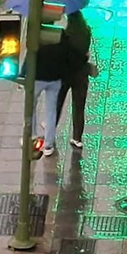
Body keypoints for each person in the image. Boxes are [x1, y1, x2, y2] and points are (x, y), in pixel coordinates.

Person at [55, 11, 96, 151]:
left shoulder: (66, 35)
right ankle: (77, 137)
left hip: (66, 74)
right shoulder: (86, 31)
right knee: (79, 107)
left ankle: (51, 130)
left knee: (58, 103)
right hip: (81, 75)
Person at [31, 30, 71, 157]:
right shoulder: (61, 42)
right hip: (54, 80)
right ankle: (48, 144)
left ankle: (31, 137)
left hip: (37, 79)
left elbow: (29, 60)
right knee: (51, 110)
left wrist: (22, 76)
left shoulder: (37, 42)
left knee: (30, 108)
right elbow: (66, 62)